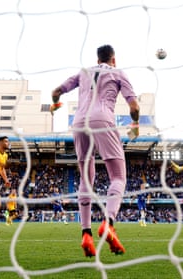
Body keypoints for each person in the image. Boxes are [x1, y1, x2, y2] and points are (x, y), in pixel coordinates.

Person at [51, 44, 140, 257]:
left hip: (79, 122)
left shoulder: (84, 72)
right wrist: (135, 124)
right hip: (103, 119)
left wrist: (55, 105)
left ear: (97, 58)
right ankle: (108, 222)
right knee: (118, 176)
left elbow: (56, 92)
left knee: (86, 179)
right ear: (113, 59)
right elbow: (135, 108)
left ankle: (86, 233)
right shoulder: (119, 73)